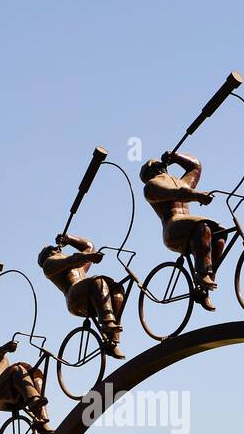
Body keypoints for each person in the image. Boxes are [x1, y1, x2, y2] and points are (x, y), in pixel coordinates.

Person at [140, 150, 227, 308]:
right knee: (202, 226)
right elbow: (175, 194)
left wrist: (176, 157)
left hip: (188, 223)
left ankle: (206, 283)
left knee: (220, 232)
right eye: (154, 164)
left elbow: (195, 166)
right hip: (173, 229)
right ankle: (202, 273)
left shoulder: (180, 182)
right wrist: (196, 195)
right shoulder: (152, 186)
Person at [37, 233, 127, 359]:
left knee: (116, 289)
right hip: (74, 299)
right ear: (48, 255)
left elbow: (89, 247)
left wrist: (69, 239)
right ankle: (107, 322)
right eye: (53, 249)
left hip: (91, 295)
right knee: (98, 281)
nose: (58, 249)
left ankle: (112, 341)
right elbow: (71, 261)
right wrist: (88, 257)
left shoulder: (79, 268)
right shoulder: (49, 265)